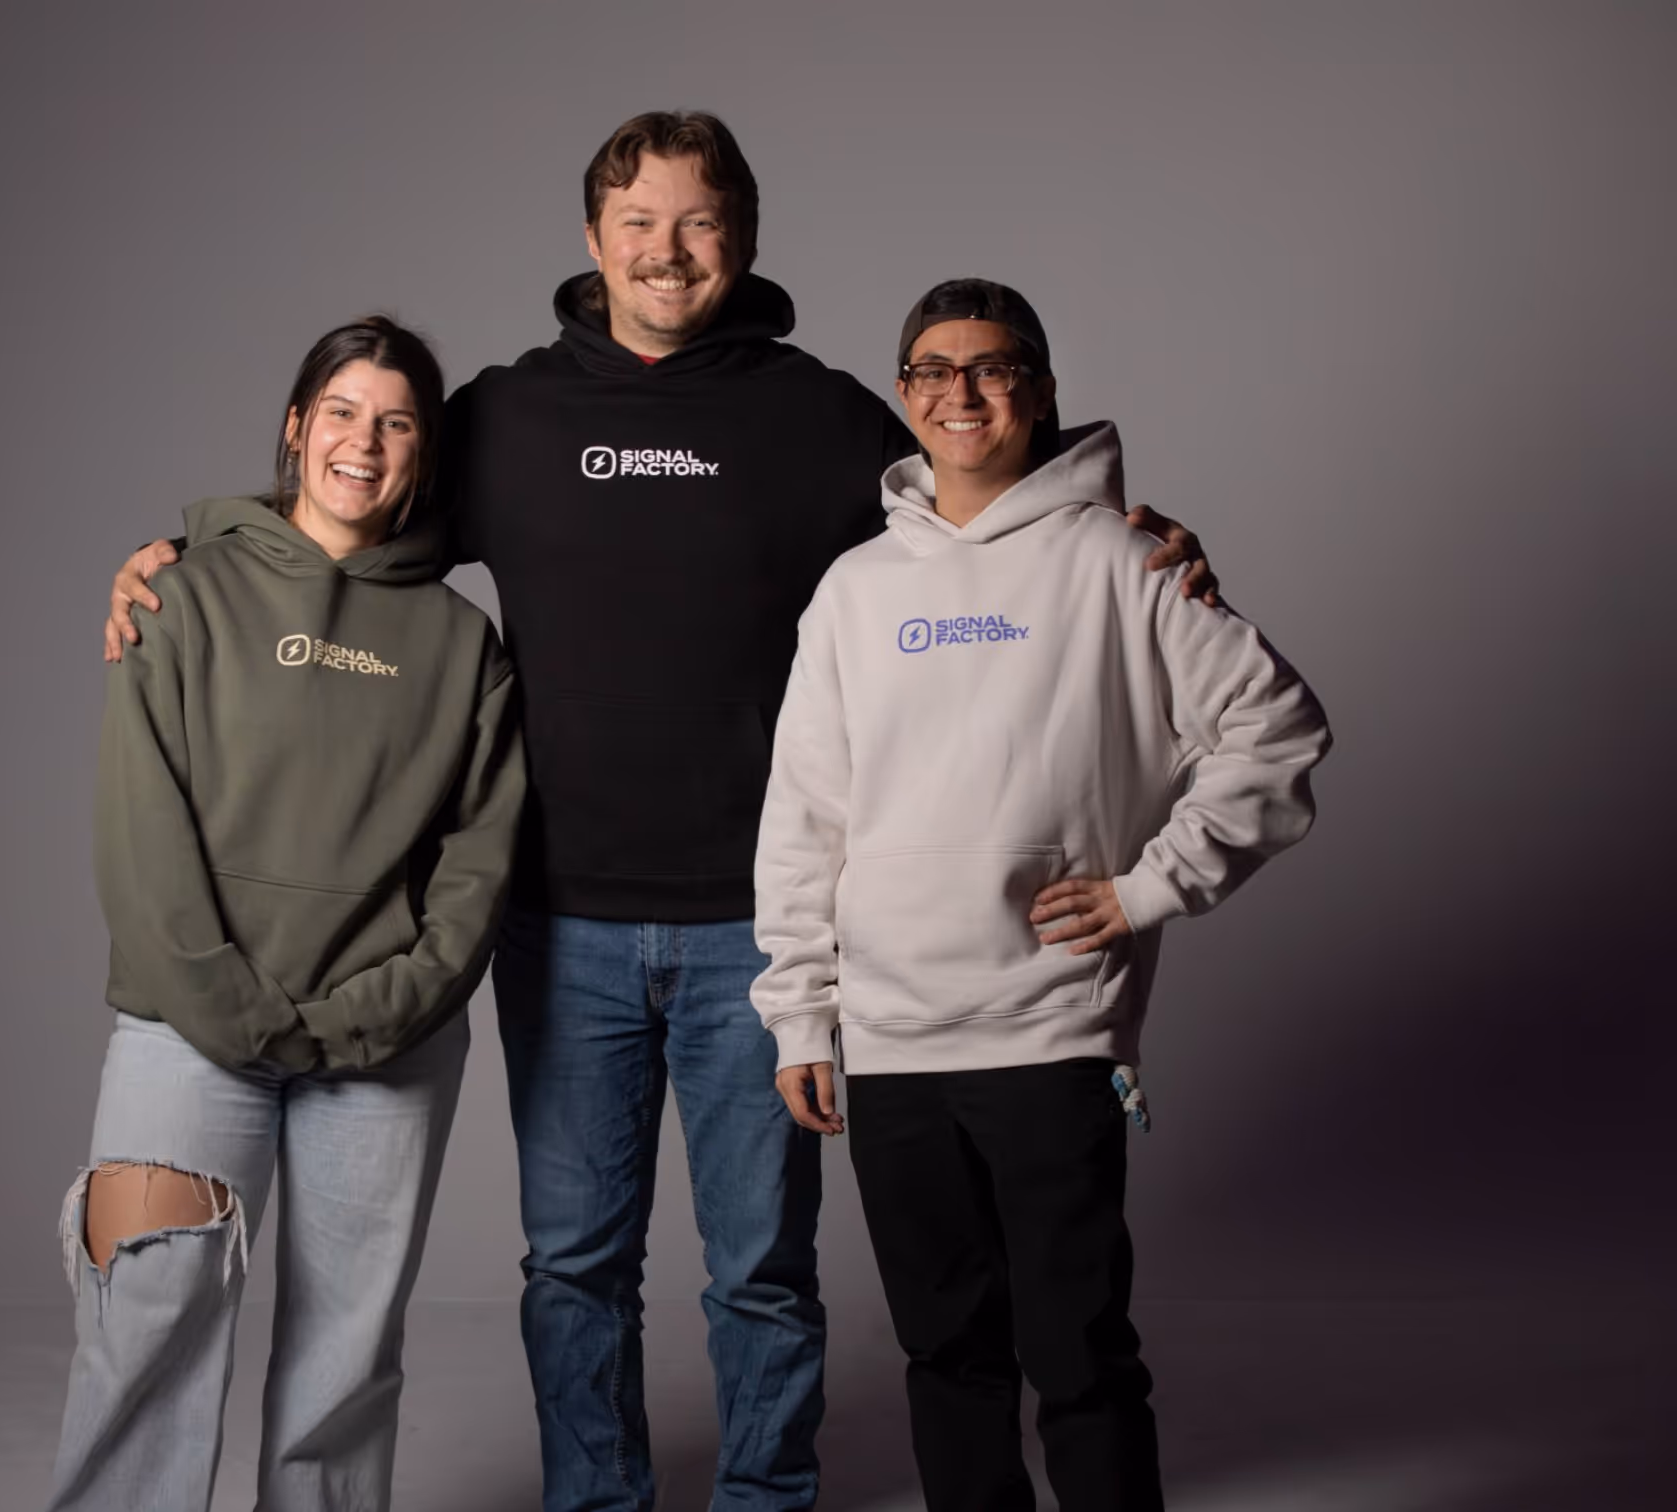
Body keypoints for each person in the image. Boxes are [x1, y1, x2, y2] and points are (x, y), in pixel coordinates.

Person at [103, 116, 1216, 1512]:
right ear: (592, 240)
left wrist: (1154, 538)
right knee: (573, 1266)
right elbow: (348, 518)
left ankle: (766, 1500)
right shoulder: (505, 416)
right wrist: (198, 551)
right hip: (557, 925)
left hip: (764, 933)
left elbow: (990, 514)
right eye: (639, 222)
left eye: (697, 223)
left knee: (760, 1272)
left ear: (742, 239)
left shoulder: (819, 418)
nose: (667, 250)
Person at [752, 278, 1332, 1512]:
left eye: (993, 366)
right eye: (932, 371)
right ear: (905, 397)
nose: (962, 393)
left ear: (1042, 388)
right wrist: (803, 1013)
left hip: (1053, 1028)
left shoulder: (1123, 561)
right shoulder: (855, 590)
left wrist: (1149, 887)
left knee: (1077, 1355)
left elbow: (1277, 733)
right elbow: (805, 816)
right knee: (947, 1354)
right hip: (895, 1039)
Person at [48, 316, 526, 1512]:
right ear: (297, 427)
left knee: (346, 1363)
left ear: (426, 453)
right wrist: (239, 1010)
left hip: (386, 1047)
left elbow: (479, 865)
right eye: (344, 413)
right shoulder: (179, 597)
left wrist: (380, 1012)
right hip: (186, 1029)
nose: (365, 442)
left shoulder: (465, 646)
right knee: (145, 1329)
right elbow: (141, 833)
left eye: (399, 420)